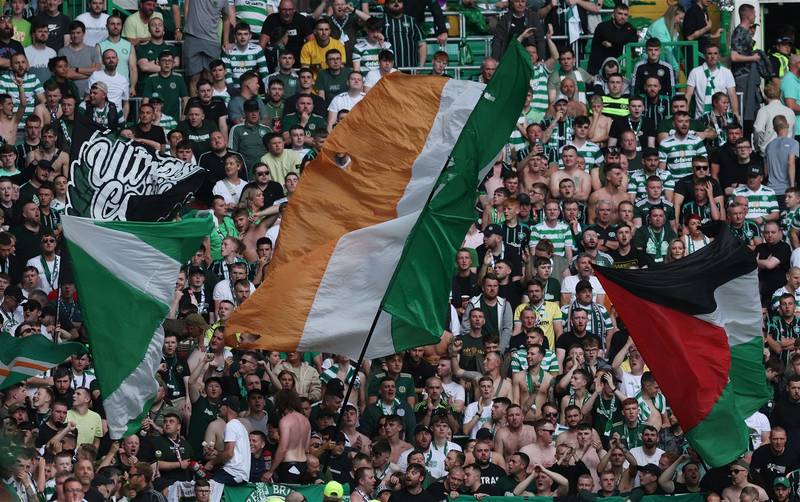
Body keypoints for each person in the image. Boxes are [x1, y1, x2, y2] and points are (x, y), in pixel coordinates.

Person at [686, 44, 738, 121]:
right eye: (709, 53)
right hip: (701, 118)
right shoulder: (695, 72)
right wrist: (684, 114)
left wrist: (735, 113)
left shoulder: (726, 72)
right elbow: (688, 95)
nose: (712, 56)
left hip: (723, 118)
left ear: (719, 56)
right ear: (704, 56)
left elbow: (732, 95)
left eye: (715, 53)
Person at [587, 3, 638, 76]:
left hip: (615, 68)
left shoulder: (629, 27)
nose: (623, 17)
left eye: (625, 14)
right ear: (613, 14)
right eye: (620, 14)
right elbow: (617, 39)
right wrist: (622, 41)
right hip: (597, 69)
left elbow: (634, 40)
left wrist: (614, 43)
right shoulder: (602, 27)